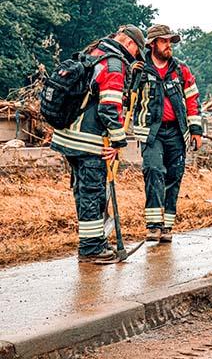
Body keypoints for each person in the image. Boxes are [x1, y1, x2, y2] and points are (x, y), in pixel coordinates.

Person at [51, 24, 145, 263]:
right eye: (137, 52)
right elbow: (109, 108)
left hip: (67, 137)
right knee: (93, 193)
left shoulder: (93, 53)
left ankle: (92, 242)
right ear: (130, 44)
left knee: (83, 192)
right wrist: (118, 141)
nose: (135, 58)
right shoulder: (114, 64)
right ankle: (92, 249)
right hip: (90, 141)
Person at [133, 24, 203, 243]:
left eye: (170, 41)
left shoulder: (180, 70)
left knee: (174, 175)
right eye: (164, 41)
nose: (168, 45)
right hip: (151, 131)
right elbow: (127, 99)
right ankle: (153, 225)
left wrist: (196, 130)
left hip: (176, 131)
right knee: (153, 170)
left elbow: (192, 99)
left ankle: (167, 226)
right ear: (152, 44)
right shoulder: (139, 69)